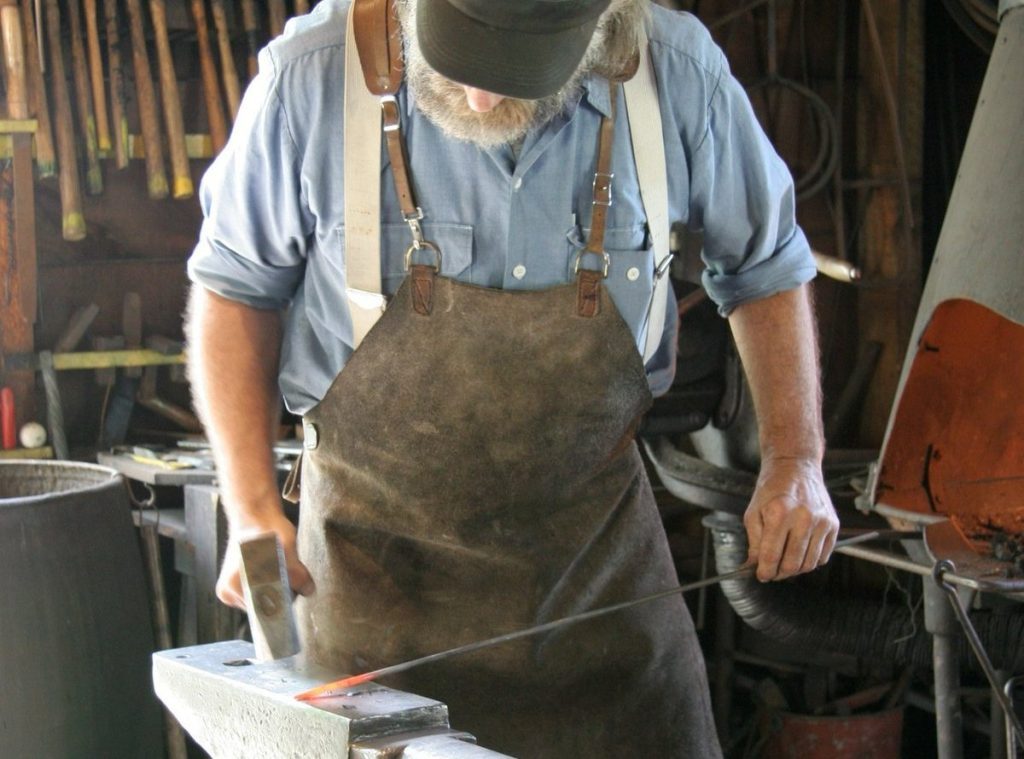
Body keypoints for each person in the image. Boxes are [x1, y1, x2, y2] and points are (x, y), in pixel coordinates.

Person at [185, 0, 840, 755]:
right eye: (456, 59)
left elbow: (764, 268)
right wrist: (251, 506)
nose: (481, 98)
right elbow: (235, 290)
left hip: (599, 589)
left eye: (519, 72)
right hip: (373, 596)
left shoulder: (676, 74)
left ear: (602, 27)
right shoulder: (311, 78)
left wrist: (796, 459)